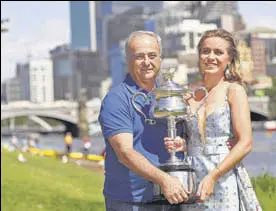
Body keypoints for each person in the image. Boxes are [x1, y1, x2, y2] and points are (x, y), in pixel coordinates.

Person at [164, 29, 262, 210]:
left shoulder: (234, 91)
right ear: (199, 55)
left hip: (223, 175)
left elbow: (245, 143)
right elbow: (192, 138)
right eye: (206, 51)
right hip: (191, 176)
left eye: (218, 52)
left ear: (229, 58)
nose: (211, 57)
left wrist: (213, 176)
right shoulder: (186, 92)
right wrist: (182, 143)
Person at [98, 30, 189, 211]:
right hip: (131, 201)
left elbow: (196, 138)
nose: (147, 62)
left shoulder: (173, 95)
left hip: (173, 198)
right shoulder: (116, 99)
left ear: (160, 59)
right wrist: (164, 180)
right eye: (139, 56)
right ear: (128, 60)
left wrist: (184, 143)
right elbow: (125, 153)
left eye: (152, 55)